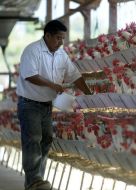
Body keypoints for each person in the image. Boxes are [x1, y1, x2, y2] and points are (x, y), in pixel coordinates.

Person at [16, 20, 92, 190]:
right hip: (29, 104)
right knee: (33, 140)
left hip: (46, 105)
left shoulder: (61, 54)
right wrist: (52, 85)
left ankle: (35, 181)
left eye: (63, 38)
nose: (61, 42)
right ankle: (35, 180)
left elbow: (74, 75)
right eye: (58, 38)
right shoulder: (33, 50)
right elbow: (30, 75)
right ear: (47, 35)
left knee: (46, 140)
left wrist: (90, 95)